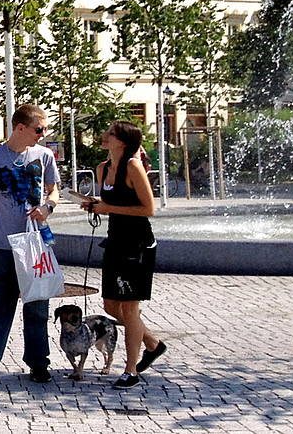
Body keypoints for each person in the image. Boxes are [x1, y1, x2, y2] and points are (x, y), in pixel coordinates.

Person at [0, 103, 61, 386]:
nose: (42, 135)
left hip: (36, 244)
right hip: (3, 246)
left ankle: (39, 363)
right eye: (39, 129)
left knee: (37, 306)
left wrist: (48, 207)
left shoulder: (44, 156)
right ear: (20, 127)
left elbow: (54, 191)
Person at [81, 122, 165, 390]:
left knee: (129, 307)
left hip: (137, 244)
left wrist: (108, 207)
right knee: (110, 305)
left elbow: (148, 208)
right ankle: (152, 344)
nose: (104, 136)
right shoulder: (102, 168)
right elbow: (111, 204)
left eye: (111, 134)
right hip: (115, 240)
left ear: (124, 141)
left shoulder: (132, 166)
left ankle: (131, 370)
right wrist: (96, 205)